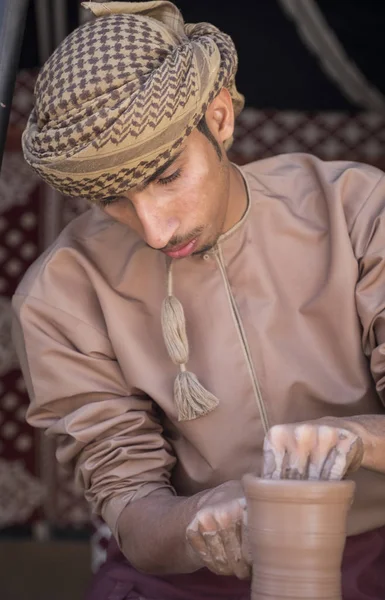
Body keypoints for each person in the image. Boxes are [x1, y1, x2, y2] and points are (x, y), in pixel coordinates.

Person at [12, 2, 385, 599]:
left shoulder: (358, 211)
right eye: (114, 201)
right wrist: (198, 522)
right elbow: (133, 510)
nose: (156, 231)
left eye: (167, 177)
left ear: (218, 118)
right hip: (191, 576)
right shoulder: (61, 295)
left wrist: (356, 439)